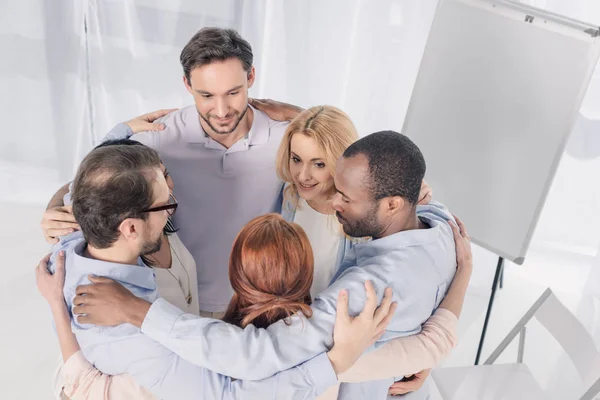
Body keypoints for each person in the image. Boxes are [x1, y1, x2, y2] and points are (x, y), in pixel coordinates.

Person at [71, 131, 457, 399]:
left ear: (393, 203)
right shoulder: (440, 223)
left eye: (344, 195)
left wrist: (140, 312)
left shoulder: (362, 292)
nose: (331, 198)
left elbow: (255, 358)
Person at [40, 27, 304, 318]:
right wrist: (55, 209)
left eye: (233, 92)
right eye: (206, 95)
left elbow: (342, 165)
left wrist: (302, 114)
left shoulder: (286, 138)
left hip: (260, 300)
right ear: (187, 85)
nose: (221, 110)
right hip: (176, 302)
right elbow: (95, 185)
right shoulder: (160, 136)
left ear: (251, 77)